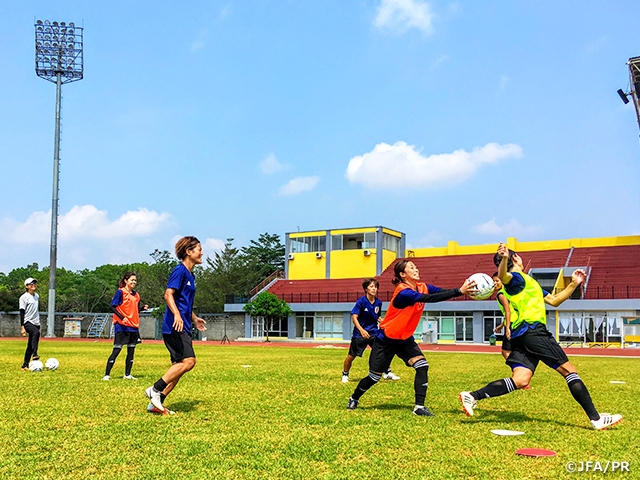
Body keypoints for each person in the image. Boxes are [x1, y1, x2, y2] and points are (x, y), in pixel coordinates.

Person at [459, 243, 622, 430]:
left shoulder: (529, 282)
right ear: (515, 259)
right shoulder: (517, 279)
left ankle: (472, 396)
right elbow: (503, 276)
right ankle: (596, 419)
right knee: (569, 371)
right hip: (534, 331)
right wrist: (504, 259)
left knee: (520, 380)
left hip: (521, 336)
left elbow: (554, 300)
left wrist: (573, 284)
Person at [347, 260, 476, 416]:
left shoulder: (422, 286)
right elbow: (428, 299)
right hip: (386, 340)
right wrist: (459, 291)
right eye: (411, 268)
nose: (416, 269)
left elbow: (440, 292)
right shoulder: (403, 292)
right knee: (374, 377)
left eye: (415, 266)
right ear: (402, 274)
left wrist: (463, 291)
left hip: (405, 339)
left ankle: (419, 407)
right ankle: (354, 397)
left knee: (422, 366)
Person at [145, 236, 207, 415]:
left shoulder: (191, 274)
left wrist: (194, 318)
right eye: (199, 249)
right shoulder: (179, 271)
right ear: (188, 252)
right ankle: (155, 390)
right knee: (189, 362)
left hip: (184, 324)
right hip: (175, 326)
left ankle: (155, 403)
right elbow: (168, 294)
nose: (201, 252)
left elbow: (184, 301)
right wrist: (178, 316)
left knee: (177, 369)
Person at [341, 279, 400, 383]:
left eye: (375, 287)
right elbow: (354, 317)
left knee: (382, 352)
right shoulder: (361, 302)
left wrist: (384, 323)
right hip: (359, 334)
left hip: (374, 333)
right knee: (351, 356)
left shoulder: (378, 303)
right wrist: (362, 330)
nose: (374, 289)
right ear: (366, 289)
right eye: (371, 286)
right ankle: (345, 374)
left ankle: (387, 372)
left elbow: (377, 316)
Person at [103, 272, 148, 381]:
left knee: (131, 350)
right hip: (122, 325)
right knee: (117, 349)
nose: (134, 282)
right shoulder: (121, 292)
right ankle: (107, 374)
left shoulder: (136, 295)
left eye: (135, 280)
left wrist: (142, 308)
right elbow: (112, 307)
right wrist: (122, 317)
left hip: (133, 326)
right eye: (132, 280)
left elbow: (135, 309)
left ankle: (127, 374)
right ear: (126, 281)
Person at [20, 278, 41, 371]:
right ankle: (35, 354)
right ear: (26, 286)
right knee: (36, 333)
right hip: (28, 321)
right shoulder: (23, 297)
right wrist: (22, 326)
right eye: (31, 283)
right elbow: (22, 312)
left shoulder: (36, 296)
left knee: (30, 345)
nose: (34, 285)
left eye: (35, 283)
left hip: (36, 322)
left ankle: (25, 365)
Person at [492, 273, 513, 361]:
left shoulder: (501, 294)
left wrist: (507, 327)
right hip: (516, 322)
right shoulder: (507, 291)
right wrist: (501, 326)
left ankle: (518, 371)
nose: (495, 283)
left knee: (505, 351)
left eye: (497, 281)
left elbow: (508, 311)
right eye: (493, 281)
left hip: (513, 324)